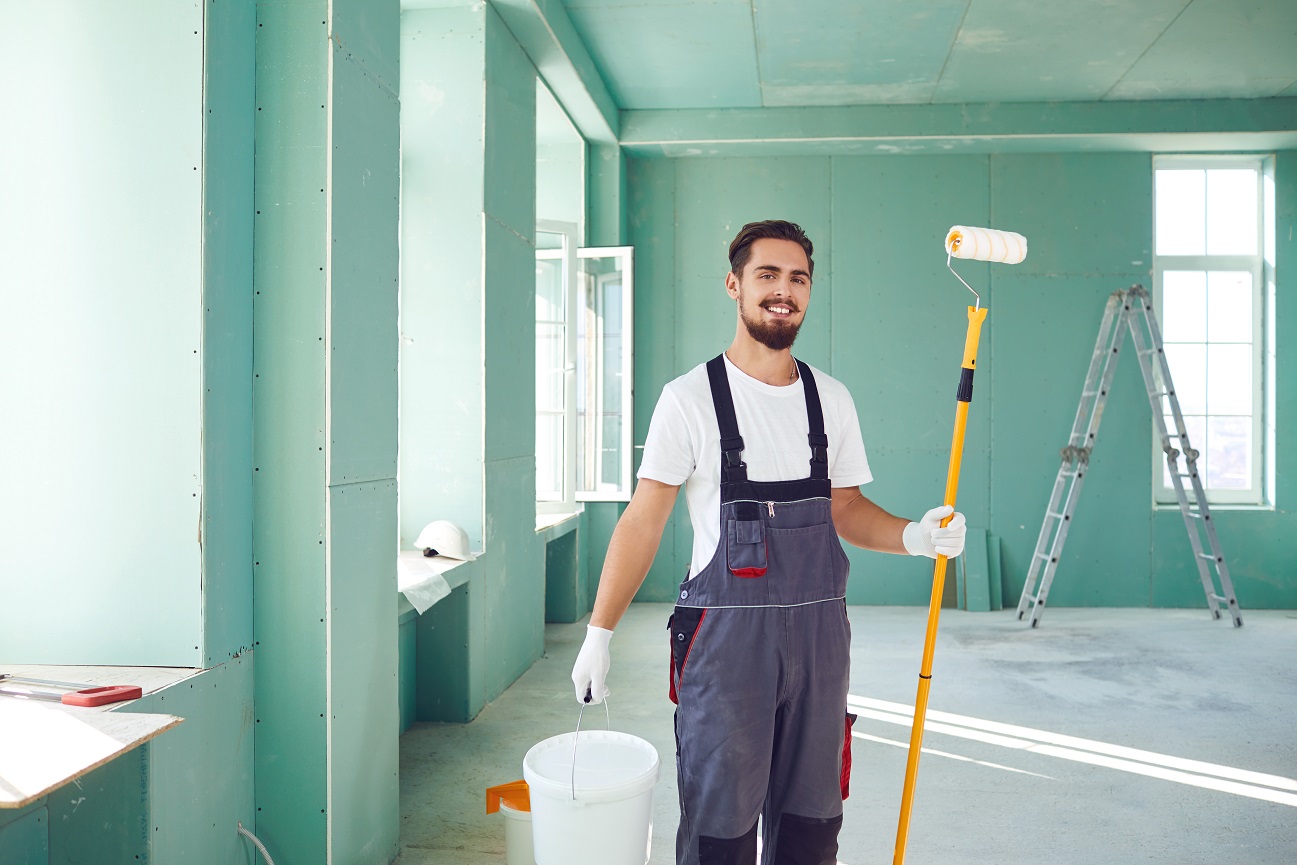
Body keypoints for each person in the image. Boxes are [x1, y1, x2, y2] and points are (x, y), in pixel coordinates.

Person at [570, 219, 966, 865]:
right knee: (719, 832)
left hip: (819, 649)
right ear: (734, 284)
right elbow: (643, 519)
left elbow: (846, 507)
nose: (784, 291)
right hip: (725, 655)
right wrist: (599, 631)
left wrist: (914, 536)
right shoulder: (688, 400)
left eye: (797, 278)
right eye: (767, 275)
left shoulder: (828, 400)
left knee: (811, 829)